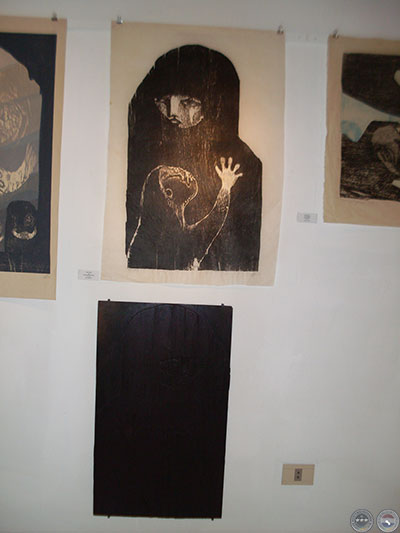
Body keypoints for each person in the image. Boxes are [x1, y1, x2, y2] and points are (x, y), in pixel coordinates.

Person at [126, 44, 262, 271]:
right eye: (163, 101)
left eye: (187, 102)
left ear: (213, 103)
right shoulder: (143, 149)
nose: (172, 112)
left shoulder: (243, 161)